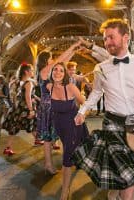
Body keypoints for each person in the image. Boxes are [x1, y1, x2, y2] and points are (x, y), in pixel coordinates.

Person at [73, 18, 134, 200]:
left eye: (111, 37)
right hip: (112, 125)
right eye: (105, 38)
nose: (107, 42)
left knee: (128, 172)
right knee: (124, 172)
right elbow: (96, 92)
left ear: (126, 37)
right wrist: (82, 111)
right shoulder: (100, 67)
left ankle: (121, 194)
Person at [36, 41, 81, 174]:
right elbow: (60, 60)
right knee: (48, 138)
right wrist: (72, 46)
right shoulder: (44, 71)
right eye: (50, 58)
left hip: (52, 105)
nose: (52, 61)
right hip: (49, 107)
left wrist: (74, 51)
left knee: (55, 135)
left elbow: (62, 63)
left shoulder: (47, 72)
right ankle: (48, 164)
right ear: (46, 61)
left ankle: (63, 159)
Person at [48, 63, 88, 200]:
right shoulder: (48, 87)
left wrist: (82, 115)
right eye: (55, 69)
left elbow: (85, 102)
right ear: (51, 72)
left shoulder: (70, 87)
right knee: (68, 149)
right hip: (59, 125)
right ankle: (78, 159)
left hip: (73, 124)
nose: (57, 72)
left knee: (66, 157)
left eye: (61, 70)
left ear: (65, 74)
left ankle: (65, 190)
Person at [2, 63, 37, 156]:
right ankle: (8, 147)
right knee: (31, 123)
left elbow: (19, 95)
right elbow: (28, 97)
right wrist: (31, 110)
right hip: (25, 108)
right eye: (32, 70)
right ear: (26, 71)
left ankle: (8, 147)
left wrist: (38, 99)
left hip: (18, 107)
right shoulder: (28, 83)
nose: (33, 72)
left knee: (20, 125)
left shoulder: (17, 81)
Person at [0, 75, 11, 140]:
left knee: (6, 120)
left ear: (0, 80)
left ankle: (11, 133)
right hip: (0, 105)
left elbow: (6, 95)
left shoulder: (5, 86)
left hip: (5, 105)